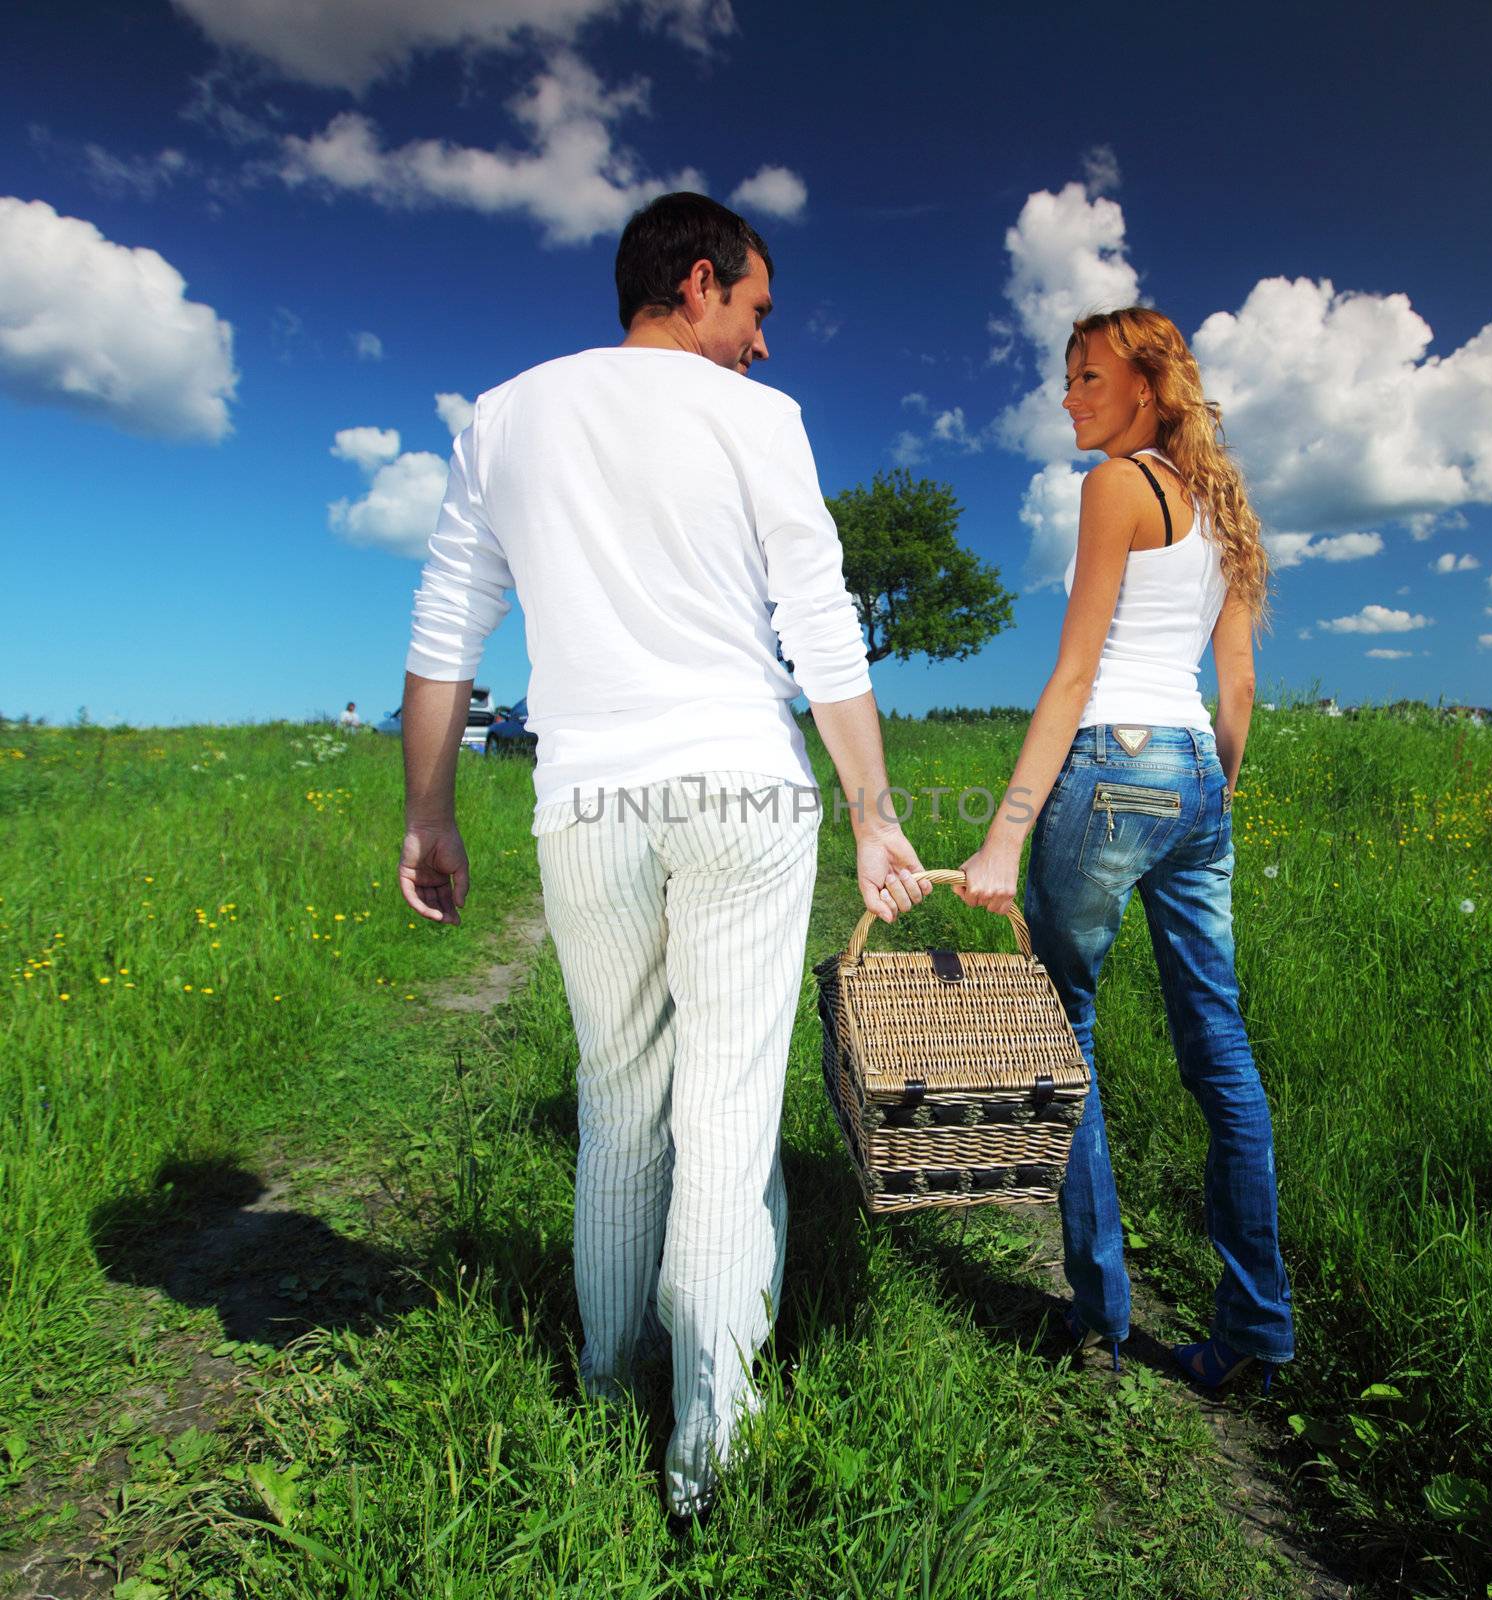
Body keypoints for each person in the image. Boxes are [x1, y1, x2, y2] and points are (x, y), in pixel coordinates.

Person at [396, 192, 927, 1521]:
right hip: (744, 793)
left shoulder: (503, 417)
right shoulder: (760, 420)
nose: (760, 344)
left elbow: (446, 633)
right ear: (700, 282)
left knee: (619, 1100)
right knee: (729, 1114)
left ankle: (599, 1383)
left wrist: (430, 815)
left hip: (587, 806)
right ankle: (709, 1443)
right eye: (755, 311)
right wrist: (873, 813)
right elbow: (821, 622)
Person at [953, 306, 1293, 1392]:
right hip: (1196, 771)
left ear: (1144, 389)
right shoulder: (1224, 509)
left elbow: (1072, 673)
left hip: (1108, 763)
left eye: (1086, 377)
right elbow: (1235, 687)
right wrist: (1213, 799)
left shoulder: (1114, 488)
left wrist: (1005, 833)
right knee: (1220, 1050)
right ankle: (1255, 1331)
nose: (1067, 395)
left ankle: (1098, 1318)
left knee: (1066, 1029)